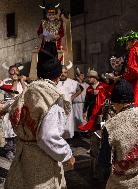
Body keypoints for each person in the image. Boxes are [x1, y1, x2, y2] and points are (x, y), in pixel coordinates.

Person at [5, 57, 75, 189]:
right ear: (59, 76)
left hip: (23, 153)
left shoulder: (28, 90)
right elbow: (47, 136)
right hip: (42, 158)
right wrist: (67, 155)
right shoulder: (52, 96)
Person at [98, 79, 138, 188]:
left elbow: (104, 161)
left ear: (116, 102)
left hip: (125, 183)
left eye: (113, 103)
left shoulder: (111, 126)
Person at [0, 63, 27, 160]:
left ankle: (18, 150)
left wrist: (22, 81)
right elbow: (12, 93)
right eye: (12, 70)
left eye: (17, 70)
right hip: (10, 109)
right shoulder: (5, 82)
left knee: (20, 131)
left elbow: (27, 92)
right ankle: (9, 150)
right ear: (9, 72)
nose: (15, 72)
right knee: (10, 131)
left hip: (21, 109)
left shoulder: (21, 81)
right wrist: (15, 81)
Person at [57, 62, 82, 139]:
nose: (63, 74)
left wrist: (72, 97)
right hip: (57, 107)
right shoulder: (55, 82)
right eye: (61, 72)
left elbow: (80, 89)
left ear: (67, 73)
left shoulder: (72, 82)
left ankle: (67, 143)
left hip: (67, 108)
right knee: (58, 126)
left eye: (65, 72)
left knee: (67, 126)